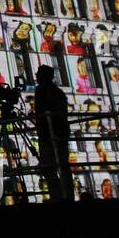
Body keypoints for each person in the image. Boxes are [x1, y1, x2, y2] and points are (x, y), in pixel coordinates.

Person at [32, 65, 73, 202]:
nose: (36, 76)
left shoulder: (41, 91)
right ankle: (67, 195)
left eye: (38, 74)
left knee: (49, 167)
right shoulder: (59, 92)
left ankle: (57, 196)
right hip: (61, 133)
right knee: (63, 166)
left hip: (48, 134)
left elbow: (42, 112)